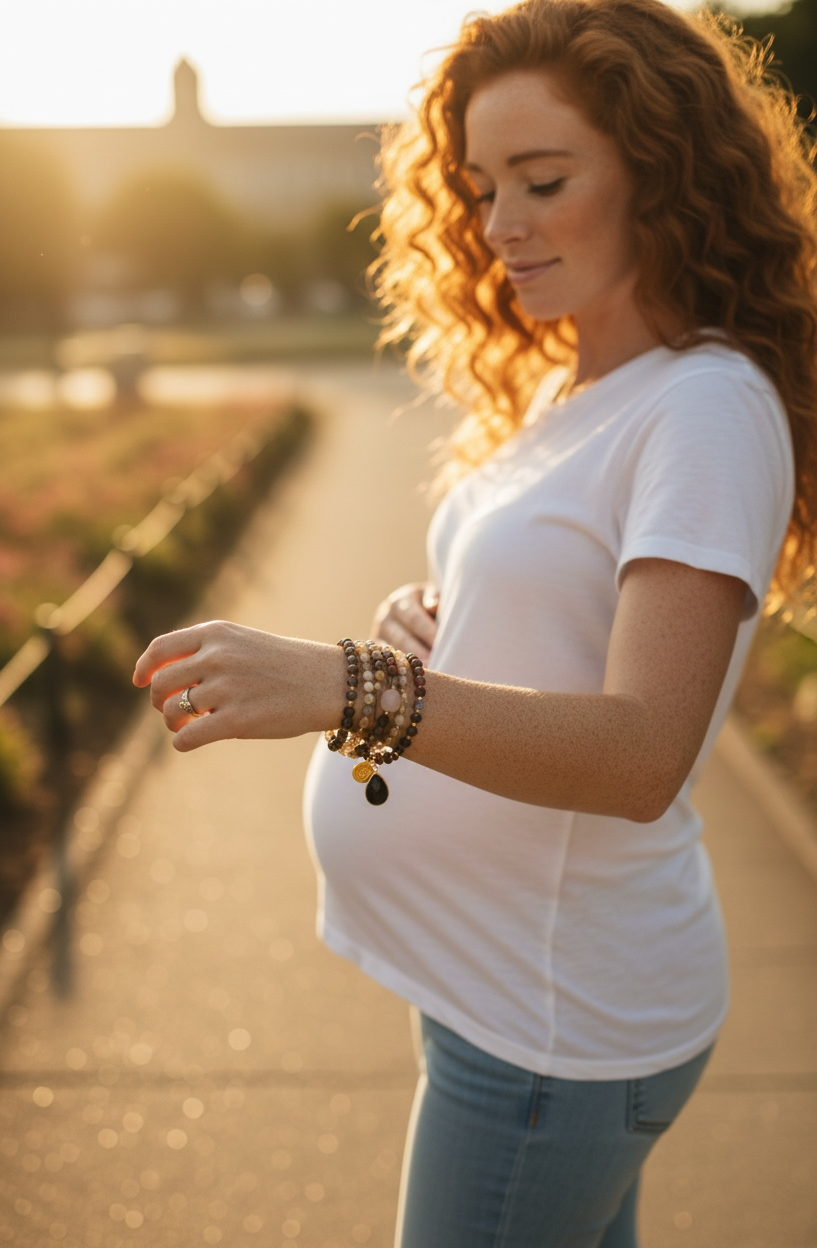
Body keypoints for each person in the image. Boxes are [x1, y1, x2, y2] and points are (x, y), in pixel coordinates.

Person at [134, 0, 817, 1243]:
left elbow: (640, 754)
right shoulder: (586, 383)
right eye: (481, 185)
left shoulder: (707, 409)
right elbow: (563, 623)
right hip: (503, 994)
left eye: (541, 179)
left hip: (550, 1031)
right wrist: (445, 621)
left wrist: (348, 688)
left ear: (659, 173)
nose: (499, 225)